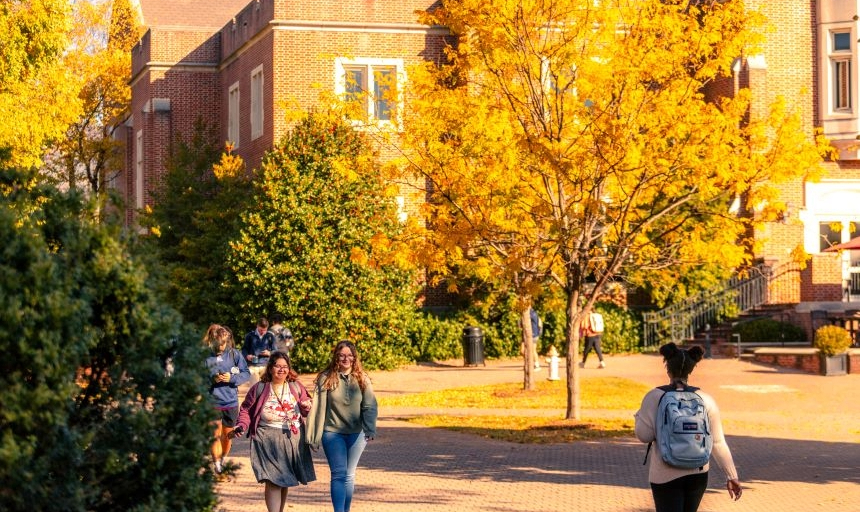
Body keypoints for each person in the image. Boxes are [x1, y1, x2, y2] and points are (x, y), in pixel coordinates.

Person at [634, 343, 742, 512]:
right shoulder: (705, 399)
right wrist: (731, 475)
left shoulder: (654, 396)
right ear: (690, 370)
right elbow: (718, 442)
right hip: (698, 474)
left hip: (665, 473)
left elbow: (644, 436)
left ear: (667, 368)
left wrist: (638, 415)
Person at [232, 351, 316, 512]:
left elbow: (307, 406)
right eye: (277, 366)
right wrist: (241, 425)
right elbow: (246, 409)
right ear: (270, 368)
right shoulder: (260, 388)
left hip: (293, 439)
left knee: (285, 480)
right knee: (274, 480)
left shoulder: (296, 386)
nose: (281, 370)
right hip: (267, 438)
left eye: (285, 367)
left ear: (289, 369)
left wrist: (307, 406)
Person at [306, 340, 378, 512]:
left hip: (356, 433)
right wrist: (313, 436)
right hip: (332, 433)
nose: (346, 359)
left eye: (350, 355)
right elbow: (317, 408)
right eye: (342, 355)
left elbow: (370, 405)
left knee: (349, 475)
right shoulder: (326, 378)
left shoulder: (362, 378)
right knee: (339, 474)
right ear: (336, 357)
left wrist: (370, 428)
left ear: (354, 358)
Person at [204, 324, 250, 474]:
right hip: (212, 402)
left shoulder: (234, 354)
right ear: (212, 340)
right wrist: (211, 380)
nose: (221, 347)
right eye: (219, 344)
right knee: (214, 435)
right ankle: (217, 465)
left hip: (230, 402)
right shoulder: (205, 356)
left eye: (224, 343)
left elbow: (246, 373)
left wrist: (232, 378)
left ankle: (222, 459)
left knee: (227, 435)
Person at [244, 317, 276, 385]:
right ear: (257, 326)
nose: (263, 332)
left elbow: (275, 351)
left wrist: (269, 353)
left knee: (267, 387)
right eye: (261, 330)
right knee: (254, 388)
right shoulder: (249, 336)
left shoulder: (270, 336)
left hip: (266, 365)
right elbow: (244, 349)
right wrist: (247, 356)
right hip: (252, 365)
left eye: (265, 330)